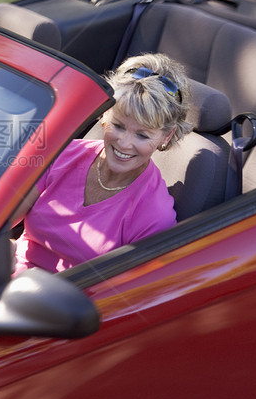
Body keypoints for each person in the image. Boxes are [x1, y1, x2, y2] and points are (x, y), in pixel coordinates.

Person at [12, 53, 192, 274]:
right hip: (9, 275)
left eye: (142, 136)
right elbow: (0, 220)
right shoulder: (63, 153)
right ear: (105, 113)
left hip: (68, 305)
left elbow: (131, 295)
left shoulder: (155, 216)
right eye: (118, 126)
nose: (124, 144)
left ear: (166, 136)